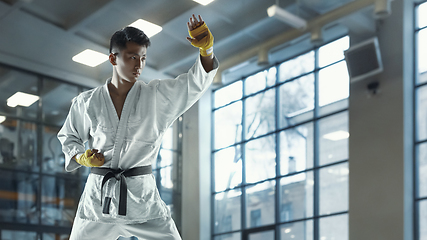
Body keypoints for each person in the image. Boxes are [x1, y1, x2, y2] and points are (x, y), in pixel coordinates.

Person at [57, 14, 218, 240]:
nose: (139, 65)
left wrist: (206, 51)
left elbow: (193, 84)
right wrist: (83, 157)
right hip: (98, 202)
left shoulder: (156, 97)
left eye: (143, 58)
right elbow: (69, 137)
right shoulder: (88, 101)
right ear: (113, 58)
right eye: (132, 57)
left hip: (142, 199)